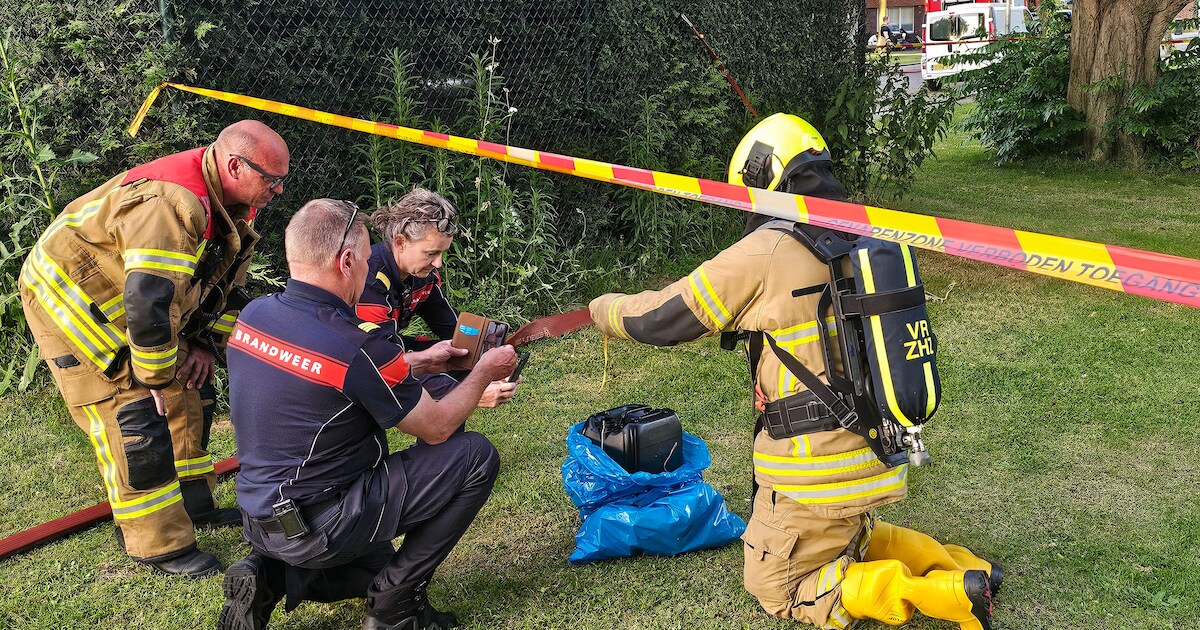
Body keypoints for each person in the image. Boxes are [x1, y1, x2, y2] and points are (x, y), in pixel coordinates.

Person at [588, 113, 999, 630]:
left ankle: (940, 592)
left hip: (811, 470)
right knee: (845, 535)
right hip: (881, 445)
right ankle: (967, 566)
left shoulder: (767, 250)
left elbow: (660, 319)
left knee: (777, 588)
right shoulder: (868, 231)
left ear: (761, 179)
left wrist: (598, 308)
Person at [219, 199, 515, 630]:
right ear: (347, 260)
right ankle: (396, 609)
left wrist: (425, 363)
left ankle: (267, 575)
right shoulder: (356, 346)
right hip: (323, 518)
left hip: (259, 513)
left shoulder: (253, 316)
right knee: (474, 456)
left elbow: (328, 385)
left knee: (372, 565)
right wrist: (483, 371)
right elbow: (436, 428)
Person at [19, 120, 290, 577]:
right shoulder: (170, 204)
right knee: (131, 412)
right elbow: (147, 303)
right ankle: (159, 543)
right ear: (233, 165)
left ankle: (194, 502)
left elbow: (222, 283)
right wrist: (153, 378)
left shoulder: (234, 201)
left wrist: (201, 344)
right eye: (271, 179)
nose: (278, 191)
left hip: (136, 297)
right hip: (70, 299)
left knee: (192, 388)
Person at [356, 187, 519, 407]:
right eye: (431, 253)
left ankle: (448, 438)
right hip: (358, 366)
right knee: (447, 384)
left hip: (388, 348)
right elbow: (386, 364)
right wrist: (470, 394)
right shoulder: (370, 280)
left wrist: (489, 363)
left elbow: (451, 328)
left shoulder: (423, 274)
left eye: (442, 253)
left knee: (456, 356)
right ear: (401, 242)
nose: (438, 263)